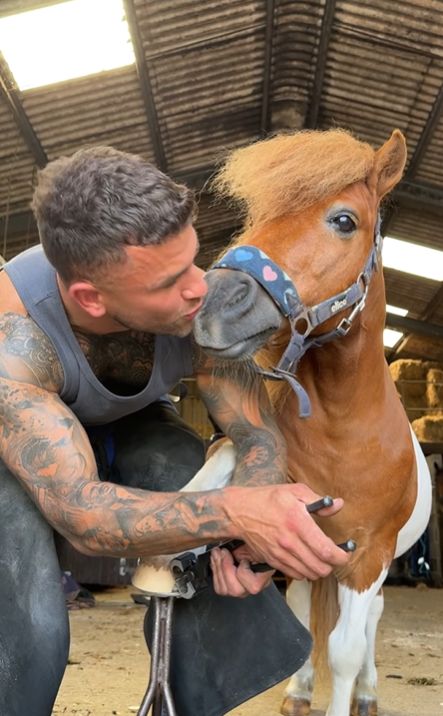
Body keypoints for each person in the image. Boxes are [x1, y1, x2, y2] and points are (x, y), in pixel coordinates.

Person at [0, 146, 349, 715]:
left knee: (180, 468)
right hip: (18, 447)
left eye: (193, 261)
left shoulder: (196, 299)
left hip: (133, 423)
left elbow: (257, 434)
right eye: (170, 280)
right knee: (29, 619)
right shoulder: (12, 340)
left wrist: (247, 536)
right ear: (90, 297)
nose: (198, 287)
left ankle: (191, 702)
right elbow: (82, 515)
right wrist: (238, 512)